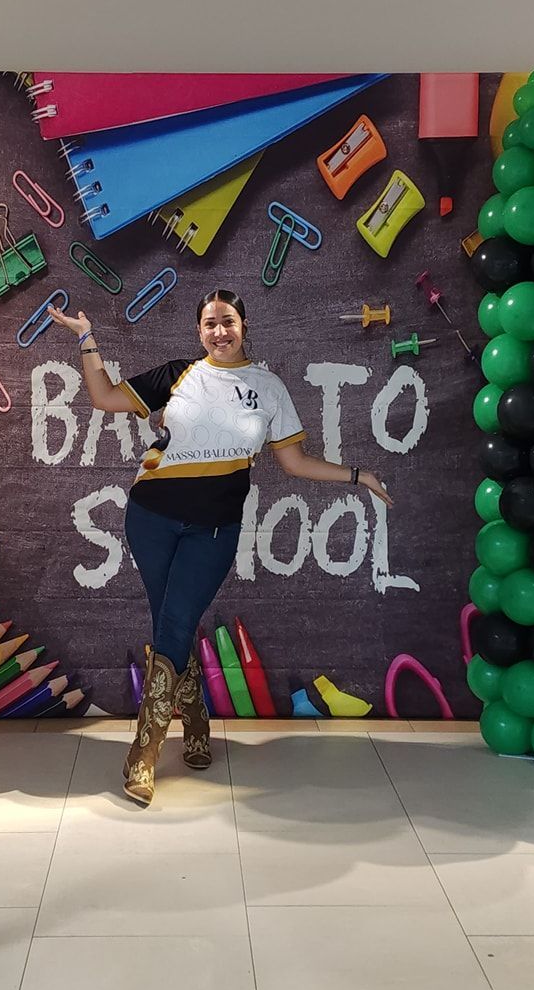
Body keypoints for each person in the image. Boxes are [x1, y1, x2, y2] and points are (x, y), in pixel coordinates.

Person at [47, 288, 391, 806]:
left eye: (227, 321)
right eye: (209, 324)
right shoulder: (177, 375)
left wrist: (359, 475)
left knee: (175, 624)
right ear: (199, 331)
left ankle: (143, 752)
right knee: (170, 625)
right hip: (151, 517)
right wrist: (87, 337)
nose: (218, 331)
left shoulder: (268, 388)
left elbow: (295, 462)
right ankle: (197, 724)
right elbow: (103, 397)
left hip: (215, 528)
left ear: (244, 324)